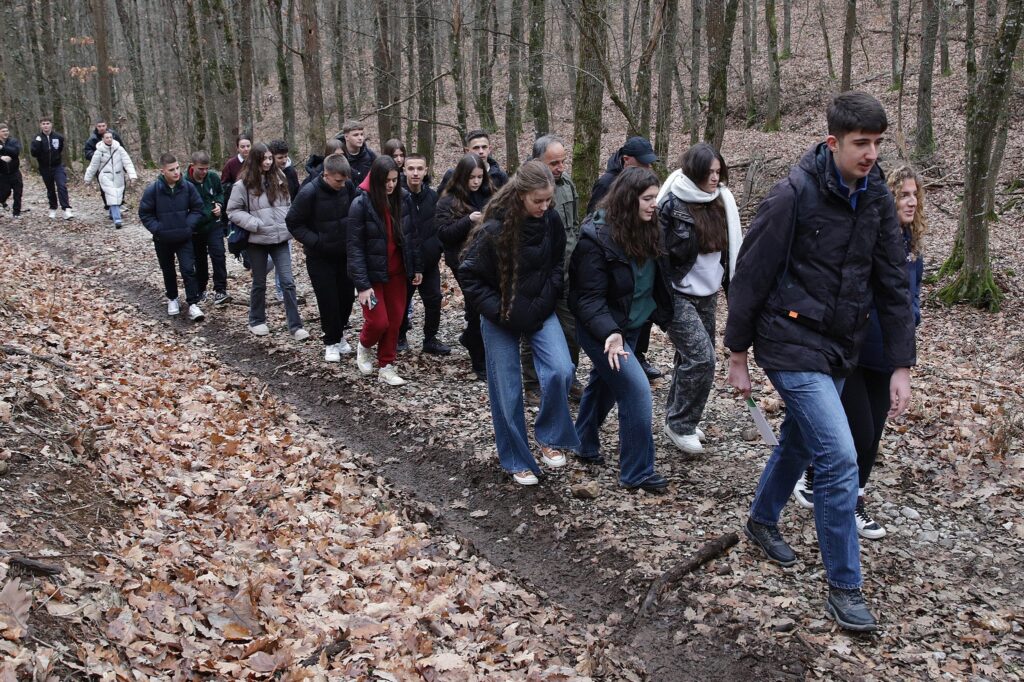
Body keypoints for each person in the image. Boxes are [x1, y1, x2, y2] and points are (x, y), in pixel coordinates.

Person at [724, 91, 916, 632]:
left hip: (840, 346)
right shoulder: (793, 193)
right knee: (839, 455)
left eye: (878, 143)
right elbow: (750, 275)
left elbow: (893, 285)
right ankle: (844, 587)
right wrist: (737, 353)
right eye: (861, 143)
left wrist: (901, 363)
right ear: (833, 142)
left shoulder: (876, 199)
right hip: (787, 340)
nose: (871, 153)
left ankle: (761, 520)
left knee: (801, 440)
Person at [792, 164, 927, 540]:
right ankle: (812, 476)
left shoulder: (912, 247)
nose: (911, 202)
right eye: (903, 195)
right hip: (852, 350)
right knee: (859, 432)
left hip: (887, 355)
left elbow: (911, 297)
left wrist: (909, 324)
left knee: (873, 435)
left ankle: (854, 501)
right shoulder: (872, 239)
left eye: (915, 195)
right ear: (887, 199)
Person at [459, 160, 579, 486]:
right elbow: (469, 275)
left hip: (540, 309)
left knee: (561, 369)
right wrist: (501, 312)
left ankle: (549, 435)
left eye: (548, 200)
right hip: (500, 315)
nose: (544, 206)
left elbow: (556, 266)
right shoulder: (494, 228)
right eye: (538, 200)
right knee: (508, 389)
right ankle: (516, 458)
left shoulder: (551, 220)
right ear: (521, 194)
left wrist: (545, 301)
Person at [569, 167, 674, 492]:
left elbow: (659, 277)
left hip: (632, 326)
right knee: (636, 390)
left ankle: (583, 442)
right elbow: (587, 299)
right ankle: (637, 472)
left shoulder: (651, 227)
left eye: (656, 198)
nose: (654, 204)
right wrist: (610, 333)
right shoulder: (595, 239)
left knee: (605, 385)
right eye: (647, 199)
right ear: (628, 200)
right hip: (601, 330)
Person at [657, 143, 743, 454]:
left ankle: (680, 418)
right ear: (694, 172)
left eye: (719, 172)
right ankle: (681, 424)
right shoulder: (672, 203)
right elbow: (659, 253)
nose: (715, 178)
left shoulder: (723, 202)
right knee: (702, 358)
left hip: (708, 295)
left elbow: (730, 253)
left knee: (689, 359)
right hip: (678, 294)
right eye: (709, 173)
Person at [588, 136, 661, 382]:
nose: (648, 167)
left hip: (637, 308)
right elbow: (594, 226)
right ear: (626, 160)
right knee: (628, 387)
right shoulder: (606, 185)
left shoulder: (652, 219)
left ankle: (638, 355)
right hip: (614, 310)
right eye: (643, 163)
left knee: (603, 386)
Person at [348, 156, 423, 385]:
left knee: (395, 321)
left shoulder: (403, 199)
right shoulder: (360, 204)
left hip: (397, 273)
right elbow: (354, 247)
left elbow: (412, 236)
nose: (390, 185)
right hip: (372, 276)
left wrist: (417, 266)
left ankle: (386, 365)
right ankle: (364, 345)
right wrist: (362, 285)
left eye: (394, 180)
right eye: (386, 181)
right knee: (378, 321)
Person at [227, 142, 309, 341]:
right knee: (260, 282)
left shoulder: (280, 178)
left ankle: (295, 325)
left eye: (270, 158)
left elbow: (287, 204)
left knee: (288, 282)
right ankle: (256, 320)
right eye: (263, 158)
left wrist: (288, 223)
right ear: (255, 160)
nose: (267, 162)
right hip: (257, 241)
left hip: (280, 238)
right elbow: (233, 211)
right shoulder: (242, 185)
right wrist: (254, 224)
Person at [522, 135, 582, 403]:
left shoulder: (567, 184)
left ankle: (569, 378)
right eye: (553, 163)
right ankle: (532, 384)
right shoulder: (526, 190)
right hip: (538, 277)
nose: (560, 168)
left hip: (567, 273)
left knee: (571, 329)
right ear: (538, 161)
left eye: (562, 162)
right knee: (533, 328)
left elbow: (574, 225)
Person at [287, 153, 358, 362]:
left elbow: (355, 212)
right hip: (319, 257)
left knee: (346, 298)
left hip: (345, 255)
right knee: (328, 300)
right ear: (326, 175)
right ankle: (331, 342)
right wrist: (316, 241)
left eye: (344, 180)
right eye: (338, 180)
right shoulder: (309, 192)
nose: (342, 184)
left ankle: (340, 334)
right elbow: (293, 222)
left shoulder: (348, 187)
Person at [436, 153, 490, 379]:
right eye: (472, 177)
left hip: (487, 259)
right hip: (462, 262)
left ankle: (471, 340)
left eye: (479, 177)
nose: (476, 182)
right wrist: (468, 220)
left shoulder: (489, 194)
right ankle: (479, 362)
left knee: (481, 307)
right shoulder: (447, 201)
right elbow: (444, 234)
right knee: (476, 307)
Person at [138, 152, 206, 322]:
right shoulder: (153, 190)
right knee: (168, 270)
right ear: (163, 171)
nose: (176, 172)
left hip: (184, 238)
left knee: (188, 270)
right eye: (171, 170)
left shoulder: (187, 187)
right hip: (163, 239)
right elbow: (145, 213)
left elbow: (198, 208)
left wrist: (188, 226)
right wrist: (158, 229)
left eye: (177, 168)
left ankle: (193, 303)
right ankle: (172, 298)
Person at [398, 153, 450, 355]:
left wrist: (438, 248)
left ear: (426, 170)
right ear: (404, 170)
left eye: (419, 168)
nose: (415, 173)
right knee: (402, 301)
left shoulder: (432, 197)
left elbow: (438, 226)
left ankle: (430, 339)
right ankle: (400, 336)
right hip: (405, 263)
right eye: (411, 168)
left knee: (434, 299)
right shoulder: (398, 197)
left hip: (429, 261)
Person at [186, 151, 231, 306]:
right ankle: (201, 289)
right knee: (199, 259)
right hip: (196, 228)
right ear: (192, 166)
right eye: (201, 169)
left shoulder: (213, 177)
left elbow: (220, 193)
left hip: (214, 224)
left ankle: (220, 290)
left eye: (206, 168)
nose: (204, 172)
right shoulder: (185, 183)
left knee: (218, 255)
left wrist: (219, 204)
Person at [84, 131, 138, 229]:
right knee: (112, 195)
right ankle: (117, 220)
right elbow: (93, 166)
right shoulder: (99, 151)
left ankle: (111, 212)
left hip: (118, 175)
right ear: (103, 139)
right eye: (107, 138)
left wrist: (132, 176)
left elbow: (127, 163)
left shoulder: (119, 149)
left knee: (117, 195)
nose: (109, 139)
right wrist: (87, 179)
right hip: (105, 176)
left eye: (110, 137)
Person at [437, 129, 508, 196]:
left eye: (484, 147)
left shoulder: (500, 177)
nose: (481, 151)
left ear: (489, 149)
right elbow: (441, 201)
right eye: (476, 148)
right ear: (467, 151)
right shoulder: (453, 175)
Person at [30, 117, 72, 220]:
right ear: (40, 125)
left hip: (57, 166)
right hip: (44, 167)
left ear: (51, 125)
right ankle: (53, 208)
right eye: (43, 124)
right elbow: (33, 153)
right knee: (50, 188)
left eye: (47, 123)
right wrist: (38, 143)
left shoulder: (58, 137)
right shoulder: (37, 138)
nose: (46, 126)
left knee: (61, 186)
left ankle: (66, 209)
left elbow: (60, 149)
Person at [335, 121, 377, 186]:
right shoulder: (338, 156)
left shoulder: (371, 156)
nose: (360, 138)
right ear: (346, 137)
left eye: (361, 134)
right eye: (356, 135)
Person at [0, 123, 25, 218]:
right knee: (5, 192)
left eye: (7, 131)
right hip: (2, 174)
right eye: (3, 131)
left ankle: (16, 212)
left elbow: (15, 152)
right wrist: (1, 157)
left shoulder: (13, 141)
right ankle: (2, 201)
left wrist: (3, 148)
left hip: (15, 172)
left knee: (18, 193)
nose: (5, 133)